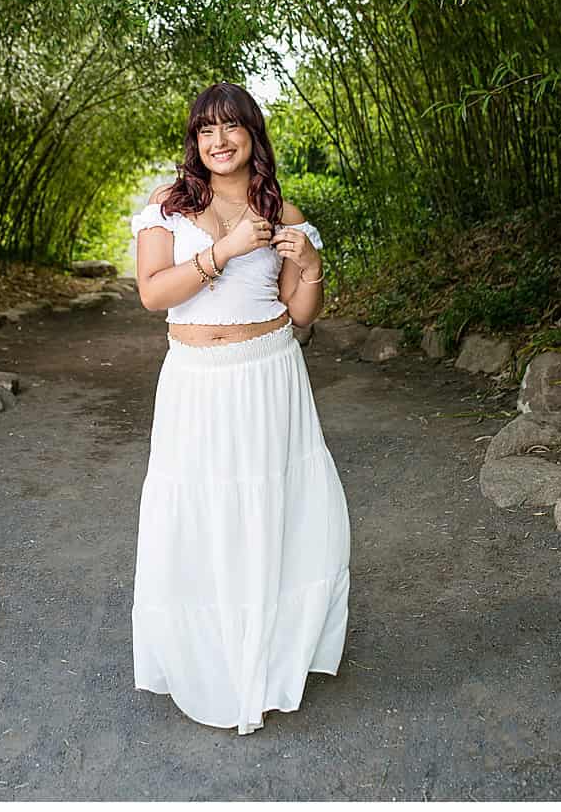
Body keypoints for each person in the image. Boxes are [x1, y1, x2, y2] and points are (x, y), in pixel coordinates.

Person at [129, 81, 351, 734]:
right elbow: (152, 295)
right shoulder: (165, 207)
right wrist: (224, 250)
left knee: (268, 508)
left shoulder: (281, 208)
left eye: (231, 127)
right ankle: (211, 659)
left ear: (253, 135)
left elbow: (301, 311)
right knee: (202, 511)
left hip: (268, 374)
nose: (218, 140)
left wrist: (308, 261)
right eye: (205, 130)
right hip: (197, 381)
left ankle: (268, 651)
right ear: (195, 143)